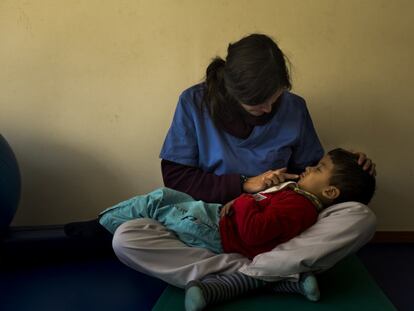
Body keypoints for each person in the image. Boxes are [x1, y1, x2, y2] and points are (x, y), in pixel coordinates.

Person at [65, 33, 376, 291]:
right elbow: (177, 179)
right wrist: (242, 185)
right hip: (211, 226)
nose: (269, 109)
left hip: (279, 230)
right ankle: (265, 275)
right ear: (232, 92)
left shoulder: (294, 108)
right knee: (127, 238)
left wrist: (352, 169)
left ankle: (238, 279)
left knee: (360, 216)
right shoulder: (193, 103)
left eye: (276, 97)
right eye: (258, 102)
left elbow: (314, 176)